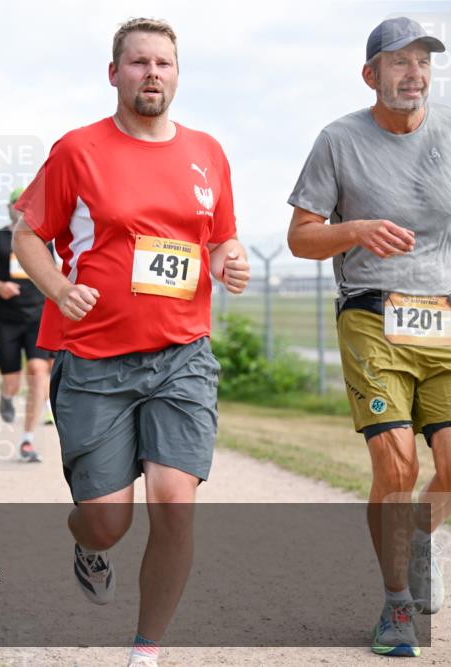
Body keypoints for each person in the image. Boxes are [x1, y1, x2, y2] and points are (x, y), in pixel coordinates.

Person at [12, 18, 250, 667]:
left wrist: (231, 259)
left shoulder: (208, 152)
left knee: (175, 504)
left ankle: (145, 650)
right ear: (114, 73)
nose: (152, 73)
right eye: (139, 62)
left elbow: (221, 237)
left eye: (163, 63)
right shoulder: (77, 150)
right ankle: (88, 543)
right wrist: (60, 290)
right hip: (94, 362)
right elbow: (28, 234)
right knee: (107, 520)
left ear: (177, 74)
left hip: (182, 358)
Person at [287, 16, 449, 658]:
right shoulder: (338, 140)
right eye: (400, 62)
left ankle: (414, 539)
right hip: (372, 314)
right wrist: (354, 230)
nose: (414, 74)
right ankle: (397, 608)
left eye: (424, 63)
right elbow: (301, 236)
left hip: (441, 315)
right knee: (397, 462)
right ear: (371, 74)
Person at [0, 187, 54, 462]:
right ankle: (6, 397)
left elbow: (52, 274)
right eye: (16, 205)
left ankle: (28, 440)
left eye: (25, 205)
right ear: (8, 207)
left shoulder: (43, 239)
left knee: (38, 371)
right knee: (13, 382)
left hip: (36, 316)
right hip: (4, 318)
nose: (20, 210)